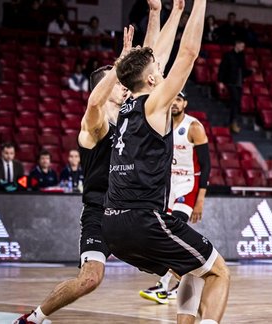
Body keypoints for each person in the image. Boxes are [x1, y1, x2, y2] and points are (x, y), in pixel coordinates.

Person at [14, 1, 173, 320]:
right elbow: (93, 103)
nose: (123, 87)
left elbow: (150, 66)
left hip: (132, 211)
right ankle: (35, 317)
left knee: (185, 269)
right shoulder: (95, 126)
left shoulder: (134, 114)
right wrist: (118, 67)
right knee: (90, 278)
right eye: (116, 84)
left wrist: (155, 13)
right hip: (100, 210)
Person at [105, 0, 230, 322]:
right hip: (143, 220)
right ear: (149, 81)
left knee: (191, 269)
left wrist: (163, 13)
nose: (161, 73)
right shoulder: (155, 105)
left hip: (113, 225)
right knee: (218, 273)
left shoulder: (125, 106)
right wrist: (199, 4)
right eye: (157, 73)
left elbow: (148, 58)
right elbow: (187, 54)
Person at [139, 92, 212, 307]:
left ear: (185, 104)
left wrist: (200, 200)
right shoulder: (162, 125)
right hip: (167, 186)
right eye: (173, 99)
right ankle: (167, 283)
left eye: (179, 100)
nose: (175, 103)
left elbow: (206, 166)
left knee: (174, 230)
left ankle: (168, 284)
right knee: (164, 235)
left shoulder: (194, 127)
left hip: (188, 186)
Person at [218, 39, 253, 133]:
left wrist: (251, 71)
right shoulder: (228, 55)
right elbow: (222, 68)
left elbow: (243, 70)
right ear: (236, 44)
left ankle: (232, 122)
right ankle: (232, 122)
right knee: (235, 100)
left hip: (239, 82)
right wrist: (220, 81)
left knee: (236, 103)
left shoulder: (242, 56)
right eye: (241, 46)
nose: (243, 48)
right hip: (230, 81)